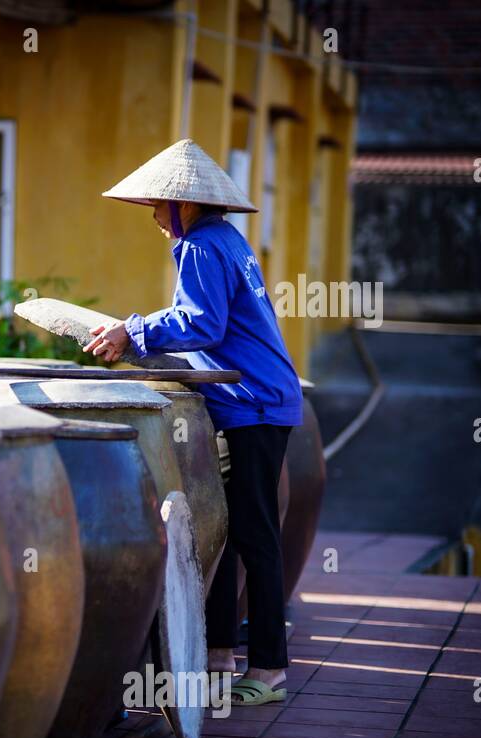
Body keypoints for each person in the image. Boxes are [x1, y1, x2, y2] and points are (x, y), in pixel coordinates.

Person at [85, 138, 302, 706]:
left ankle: (271, 671)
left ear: (184, 206)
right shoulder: (224, 240)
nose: (155, 217)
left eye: (158, 205)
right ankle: (218, 655)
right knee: (226, 529)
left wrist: (133, 331)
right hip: (253, 400)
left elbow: (200, 323)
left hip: (254, 403)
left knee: (255, 534)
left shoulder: (203, 246)